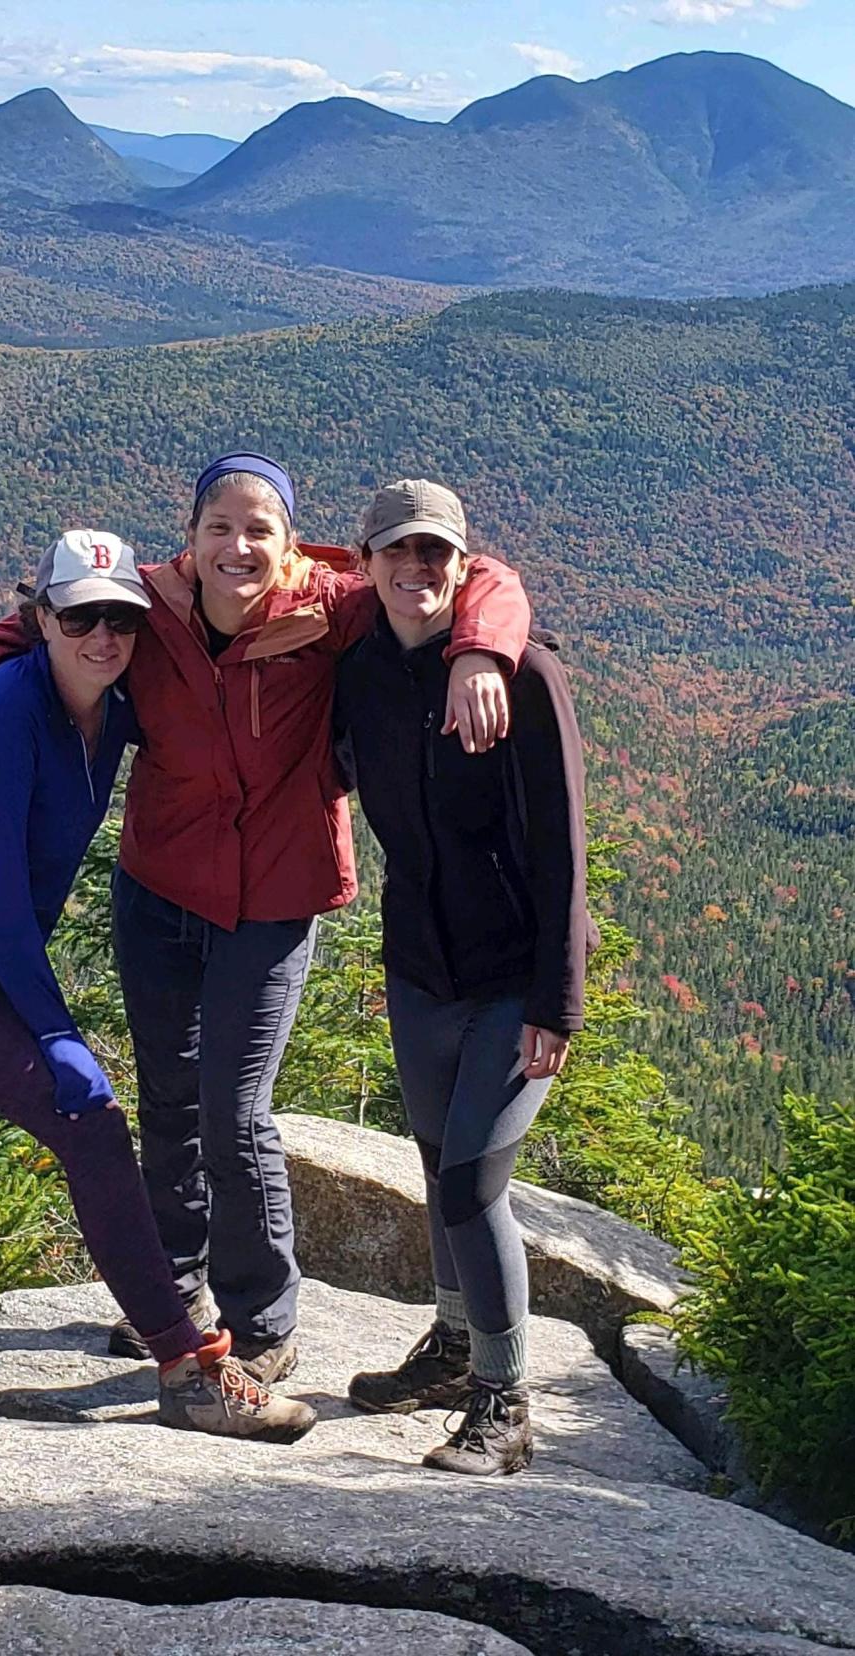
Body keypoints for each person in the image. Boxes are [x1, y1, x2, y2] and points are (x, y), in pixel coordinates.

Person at [0, 455, 532, 1382]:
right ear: (190, 538)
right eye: (219, 528)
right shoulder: (142, 607)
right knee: (167, 1103)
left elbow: (479, 576)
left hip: (277, 897)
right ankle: (174, 1294)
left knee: (237, 1117)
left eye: (259, 529)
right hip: (159, 890)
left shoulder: (333, 606)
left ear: (287, 542)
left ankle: (263, 1321)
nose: (239, 546)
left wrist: (482, 650)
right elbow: (7, 637)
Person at [0, 528, 317, 1444]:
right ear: (44, 618)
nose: (105, 637)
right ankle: (190, 1370)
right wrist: (56, 1031)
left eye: (121, 619)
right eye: (81, 617)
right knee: (93, 1129)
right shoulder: (4, 712)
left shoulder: (112, 710)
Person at [336, 479, 591, 1476]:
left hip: (512, 975)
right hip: (420, 965)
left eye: (435, 554)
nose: (416, 571)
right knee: (438, 1160)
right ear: (367, 566)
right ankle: (451, 1348)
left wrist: (557, 1000)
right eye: (396, 553)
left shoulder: (523, 678)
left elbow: (566, 849)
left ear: (465, 564)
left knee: (476, 1181)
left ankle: (504, 1399)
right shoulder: (356, 668)